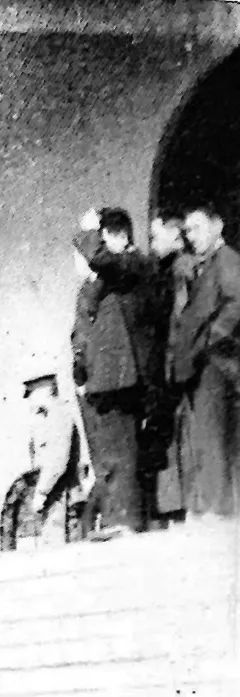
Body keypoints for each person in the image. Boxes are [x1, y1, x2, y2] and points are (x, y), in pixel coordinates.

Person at [71, 207, 155, 536]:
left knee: (123, 450)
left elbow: (99, 260)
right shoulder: (109, 277)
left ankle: (125, 519)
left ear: (115, 237)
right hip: (105, 378)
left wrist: (88, 231)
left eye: (103, 240)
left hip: (123, 375)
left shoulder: (132, 263)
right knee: (109, 452)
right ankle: (115, 518)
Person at [170, 202, 240, 519]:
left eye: (197, 228)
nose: (191, 236)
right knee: (205, 435)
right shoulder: (202, 265)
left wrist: (210, 339)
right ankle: (211, 504)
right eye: (187, 231)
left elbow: (236, 303)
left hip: (217, 363)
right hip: (202, 364)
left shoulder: (226, 260)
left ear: (218, 226)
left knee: (213, 435)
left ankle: (218, 507)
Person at [143, 214, 195, 523]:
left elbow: (181, 321)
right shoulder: (166, 270)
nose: (152, 244)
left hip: (177, 369)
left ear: (175, 236)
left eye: (155, 237)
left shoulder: (182, 268)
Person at [1, 374, 87, 552]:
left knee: (57, 549)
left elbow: (58, 460)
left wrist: (41, 492)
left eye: (32, 393)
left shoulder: (58, 415)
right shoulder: (46, 417)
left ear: (45, 389)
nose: (30, 400)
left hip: (61, 494)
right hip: (53, 494)